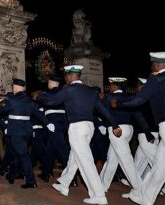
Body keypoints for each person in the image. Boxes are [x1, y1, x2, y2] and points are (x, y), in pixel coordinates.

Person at [37, 65, 122, 205]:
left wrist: (40, 97)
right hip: (89, 127)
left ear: (70, 76)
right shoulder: (90, 91)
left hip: (77, 128)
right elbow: (103, 110)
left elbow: (52, 101)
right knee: (75, 157)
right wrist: (115, 125)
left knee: (85, 161)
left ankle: (98, 195)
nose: (65, 79)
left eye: (65, 76)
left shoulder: (69, 89)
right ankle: (64, 184)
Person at [112, 52, 165, 205]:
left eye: (153, 64)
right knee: (159, 166)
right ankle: (145, 198)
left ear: (159, 64)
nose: (151, 67)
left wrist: (119, 104)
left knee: (160, 166)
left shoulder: (156, 79)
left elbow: (139, 100)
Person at [0, 78, 54, 189]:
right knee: (18, 154)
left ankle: (31, 181)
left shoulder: (12, 100)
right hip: (27, 131)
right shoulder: (29, 100)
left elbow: (1, 110)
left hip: (16, 131)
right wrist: (48, 123)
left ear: (15, 88)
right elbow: (38, 114)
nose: (12, 88)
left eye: (13, 86)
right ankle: (12, 175)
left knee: (23, 156)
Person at [99, 77, 153, 199]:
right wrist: (147, 132)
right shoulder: (129, 98)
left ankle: (139, 189)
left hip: (117, 130)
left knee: (126, 161)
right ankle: (103, 185)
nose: (110, 87)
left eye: (111, 85)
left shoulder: (108, 97)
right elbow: (138, 116)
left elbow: (100, 110)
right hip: (129, 130)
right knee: (112, 158)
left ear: (114, 86)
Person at [38, 76, 70, 184]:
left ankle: (72, 178)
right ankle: (45, 173)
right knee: (51, 149)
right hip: (63, 122)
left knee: (62, 150)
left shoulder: (46, 94)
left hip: (52, 123)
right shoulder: (63, 93)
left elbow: (42, 102)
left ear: (51, 83)